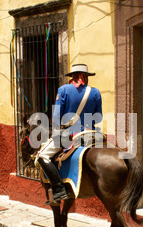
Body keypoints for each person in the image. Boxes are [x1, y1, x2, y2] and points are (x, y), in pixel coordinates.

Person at [36, 64, 102, 204]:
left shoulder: (64, 90)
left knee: (42, 156)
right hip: (90, 134)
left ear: (73, 76)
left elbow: (56, 117)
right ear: (86, 77)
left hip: (71, 135)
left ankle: (59, 189)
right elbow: (99, 117)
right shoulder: (95, 93)